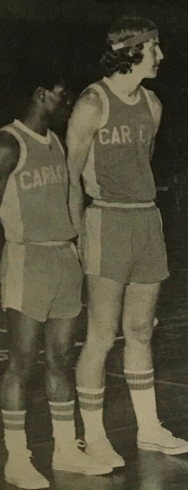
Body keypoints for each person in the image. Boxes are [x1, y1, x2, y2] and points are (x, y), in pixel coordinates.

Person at [67, 17, 188, 463]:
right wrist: (74, 234)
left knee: (140, 330)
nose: (162, 56)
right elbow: (71, 176)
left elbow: (144, 162)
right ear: (133, 50)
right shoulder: (91, 102)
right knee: (101, 334)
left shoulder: (153, 104)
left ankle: (149, 429)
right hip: (107, 221)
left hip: (146, 221)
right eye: (155, 47)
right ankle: (95, 436)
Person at [0, 68, 112, 489]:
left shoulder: (59, 142)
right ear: (40, 93)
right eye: (62, 97)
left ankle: (66, 450)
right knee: (21, 363)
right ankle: (17, 457)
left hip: (63, 258)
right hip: (27, 260)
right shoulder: (9, 142)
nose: (67, 105)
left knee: (61, 358)